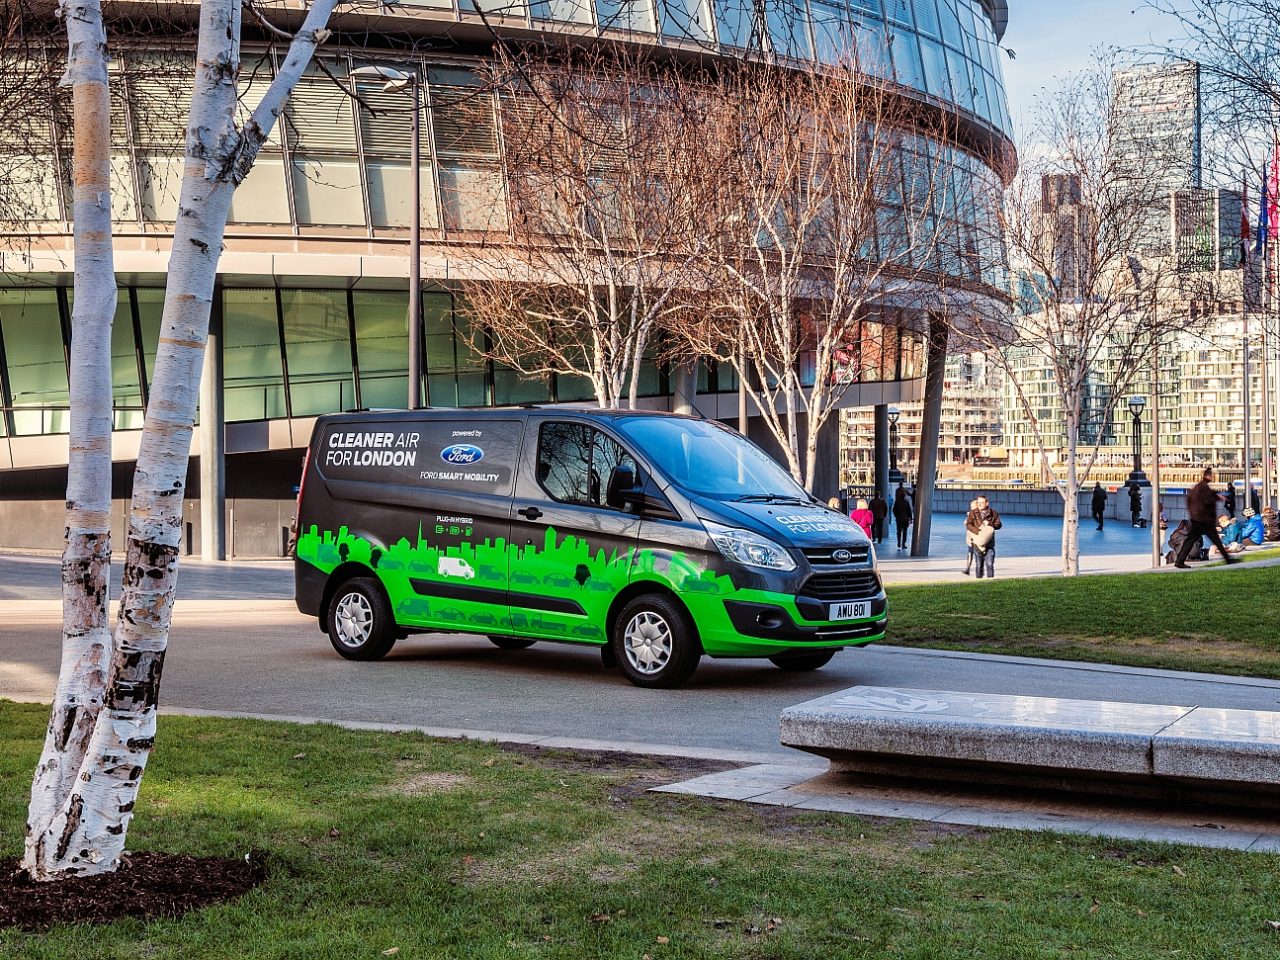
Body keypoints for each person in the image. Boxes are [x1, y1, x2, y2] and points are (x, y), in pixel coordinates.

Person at [1174, 467, 1236, 567]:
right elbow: (1208, 500)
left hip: (1196, 519)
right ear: (1208, 476)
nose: (1212, 477)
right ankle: (1228, 559)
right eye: (1211, 475)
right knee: (1215, 540)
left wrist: (1193, 515)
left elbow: (1192, 500)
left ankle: (1179, 561)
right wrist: (1218, 498)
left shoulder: (1197, 488)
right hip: (1204, 520)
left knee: (1189, 540)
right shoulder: (1204, 488)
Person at [964, 495, 1003, 579]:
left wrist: (989, 524)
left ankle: (990, 581)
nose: (979, 504)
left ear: (987, 503)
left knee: (990, 564)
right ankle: (979, 581)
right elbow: (968, 525)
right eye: (978, 502)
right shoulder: (973, 513)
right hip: (977, 544)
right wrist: (978, 532)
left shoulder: (993, 513)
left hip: (989, 544)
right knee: (979, 565)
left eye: (982, 502)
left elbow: (999, 525)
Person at [892, 484, 912, 550]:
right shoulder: (906, 502)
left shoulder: (897, 502)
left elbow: (894, 510)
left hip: (899, 519)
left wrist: (896, 516)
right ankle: (903, 544)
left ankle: (899, 542)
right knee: (905, 532)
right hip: (905, 519)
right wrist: (910, 518)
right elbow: (909, 511)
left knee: (899, 531)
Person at [962, 499, 979, 575]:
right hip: (970, 538)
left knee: (978, 554)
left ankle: (979, 569)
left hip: (978, 538)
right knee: (970, 553)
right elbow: (965, 523)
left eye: (974, 507)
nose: (972, 509)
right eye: (971, 507)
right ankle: (967, 568)